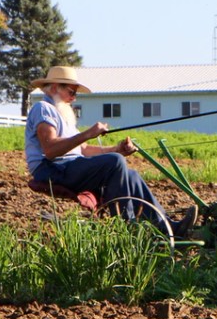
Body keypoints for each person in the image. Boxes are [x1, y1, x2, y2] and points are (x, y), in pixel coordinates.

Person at [25, 66, 196, 236]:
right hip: (51, 169)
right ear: (55, 87)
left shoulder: (61, 114)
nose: (74, 98)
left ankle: (167, 228)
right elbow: (50, 149)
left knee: (131, 175)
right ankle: (126, 227)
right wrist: (88, 134)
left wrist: (117, 149)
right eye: (71, 92)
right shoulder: (43, 108)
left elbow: (82, 150)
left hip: (69, 166)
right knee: (114, 162)